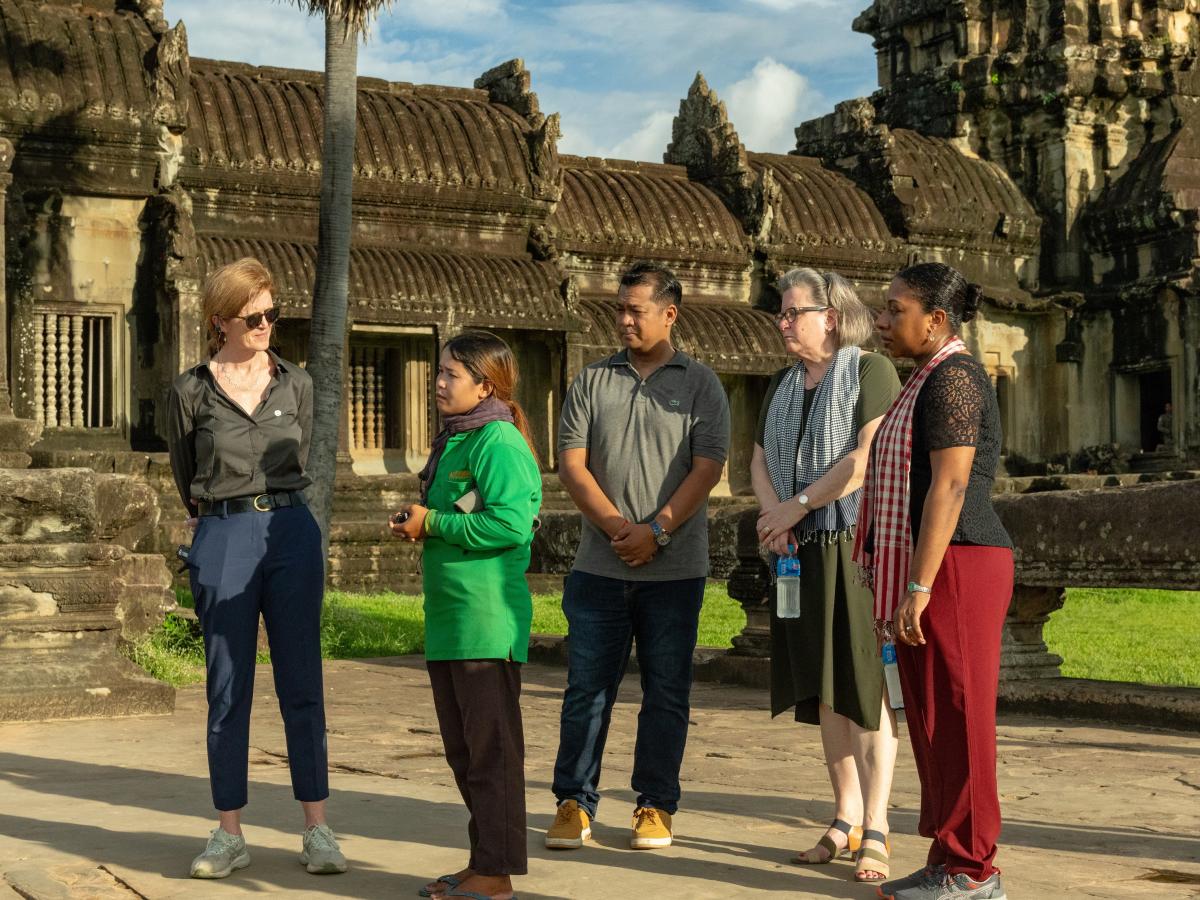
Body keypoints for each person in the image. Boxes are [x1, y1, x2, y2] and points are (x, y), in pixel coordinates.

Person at [166, 257, 347, 879]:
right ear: (221, 321)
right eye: (253, 317)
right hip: (222, 530)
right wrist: (215, 521)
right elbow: (183, 468)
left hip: (291, 529)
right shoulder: (190, 390)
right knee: (226, 687)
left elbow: (311, 457)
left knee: (302, 681)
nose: (267, 324)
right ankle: (228, 832)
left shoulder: (297, 383)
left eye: (272, 313)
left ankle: (317, 827)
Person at [546, 261, 730, 852]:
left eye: (636, 311)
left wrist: (659, 530)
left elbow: (708, 468)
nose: (624, 320)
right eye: (619, 310)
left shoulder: (701, 384)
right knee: (585, 690)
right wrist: (620, 528)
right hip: (599, 567)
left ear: (669, 314)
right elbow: (572, 465)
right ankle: (574, 802)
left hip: (675, 571)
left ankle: (654, 805)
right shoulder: (592, 381)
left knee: (667, 691)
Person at [859, 262, 1014, 900]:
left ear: (937, 319)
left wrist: (918, 586)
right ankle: (949, 855)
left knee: (960, 711)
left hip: (960, 561)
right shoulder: (924, 377)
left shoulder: (954, 376)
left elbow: (950, 485)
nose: (883, 319)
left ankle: (975, 871)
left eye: (896, 309)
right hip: (935, 562)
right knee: (927, 715)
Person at [750, 268, 902, 883]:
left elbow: (866, 458)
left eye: (793, 313)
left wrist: (799, 505)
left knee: (864, 684)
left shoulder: (870, 372)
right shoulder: (784, 385)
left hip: (852, 543)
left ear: (831, 317)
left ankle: (880, 823)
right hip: (798, 549)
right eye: (782, 315)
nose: (784, 323)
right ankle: (845, 816)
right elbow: (758, 458)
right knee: (823, 684)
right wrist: (773, 515)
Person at [391, 330, 541, 900]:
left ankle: (496, 875)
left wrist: (432, 523)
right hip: (451, 622)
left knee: (491, 755)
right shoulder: (456, 441)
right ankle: (484, 863)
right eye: (440, 371)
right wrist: (423, 519)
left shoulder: (496, 441)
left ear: (486, 385)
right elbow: (457, 512)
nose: (439, 382)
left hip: (486, 621)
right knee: (465, 754)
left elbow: (508, 524)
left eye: (452, 373)